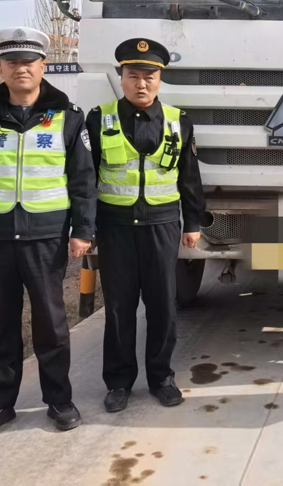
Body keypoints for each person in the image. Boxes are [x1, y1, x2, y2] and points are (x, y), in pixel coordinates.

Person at [0, 27, 96, 439]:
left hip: (46, 237)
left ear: (43, 66)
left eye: (29, 62)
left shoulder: (68, 117)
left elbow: (83, 181)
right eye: (11, 62)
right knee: (2, 323)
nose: (21, 69)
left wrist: (83, 230)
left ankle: (59, 400)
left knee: (51, 322)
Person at [86, 38, 208, 413]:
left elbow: (190, 177)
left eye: (149, 77)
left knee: (162, 307)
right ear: (121, 77)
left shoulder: (178, 121)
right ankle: (118, 383)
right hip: (115, 227)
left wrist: (193, 222)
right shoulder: (99, 118)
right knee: (119, 308)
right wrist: (85, 227)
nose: (141, 84)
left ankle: (161, 378)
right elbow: (85, 178)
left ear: (159, 80)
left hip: (162, 224)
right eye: (133, 75)